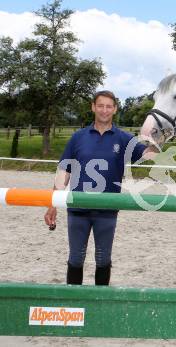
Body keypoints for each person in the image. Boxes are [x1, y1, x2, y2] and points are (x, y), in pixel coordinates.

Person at [44, 90, 153, 286]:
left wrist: (162, 136)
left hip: (107, 210)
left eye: (109, 106)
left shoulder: (123, 139)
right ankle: (74, 304)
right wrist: (53, 203)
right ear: (93, 107)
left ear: (115, 109)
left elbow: (148, 155)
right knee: (76, 258)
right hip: (78, 209)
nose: (104, 110)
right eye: (100, 105)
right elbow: (64, 171)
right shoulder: (78, 137)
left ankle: (100, 305)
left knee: (103, 259)